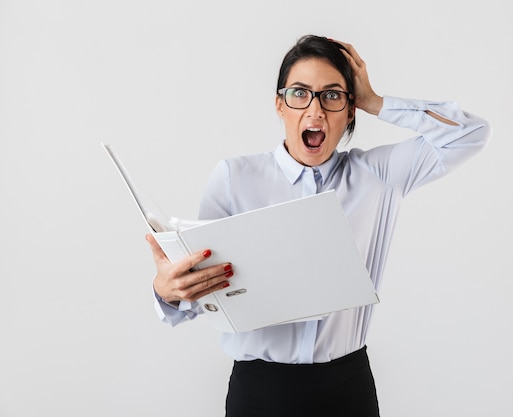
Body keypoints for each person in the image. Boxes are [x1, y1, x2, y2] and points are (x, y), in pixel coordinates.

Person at [145, 34, 491, 417]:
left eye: (332, 95)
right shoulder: (233, 177)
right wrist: (168, 291)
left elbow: (470, 133)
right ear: (279, 105)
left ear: (350, 109)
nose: (315, 110)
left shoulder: (378, 175)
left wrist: (376, 101)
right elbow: (205, 294)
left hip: (347, 389)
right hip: (259, 392)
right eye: (299, 94)